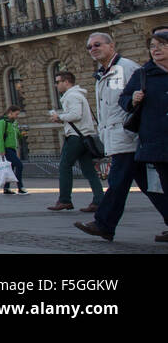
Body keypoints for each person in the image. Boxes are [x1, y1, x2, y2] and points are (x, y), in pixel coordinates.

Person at [76, 31, 168, 242]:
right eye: (89, 47)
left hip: (129, 136)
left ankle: (104, 224)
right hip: (116, 136)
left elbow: (141, 100)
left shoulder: (127, 68)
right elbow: (123, 100)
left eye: (97, 44)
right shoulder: (103, 73)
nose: (93, 49)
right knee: (149, 186)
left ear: (111, 45)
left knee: (117, 182)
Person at [47, 70, 103, 212]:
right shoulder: (78, 95)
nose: (56, 85)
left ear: (67, 82)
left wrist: (59, 117)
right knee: (89, 170)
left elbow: (76, 115)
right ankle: (99, 200)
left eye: (58, 81)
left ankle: (65, 200)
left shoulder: (72, 95)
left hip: (76, 137)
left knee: (65, 166)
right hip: (84, 137)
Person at [0, 106, 28, 195]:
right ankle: (20, 187)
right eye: (16, 114)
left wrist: (22, 134)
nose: (17, 116)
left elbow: (16, 135)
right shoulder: (2, 122)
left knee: (10, 168)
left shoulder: (14, 123)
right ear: (10, 112)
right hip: (6, 149)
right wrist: (1, 150)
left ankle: (6, 188)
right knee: (19, 165)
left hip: (13, 148)